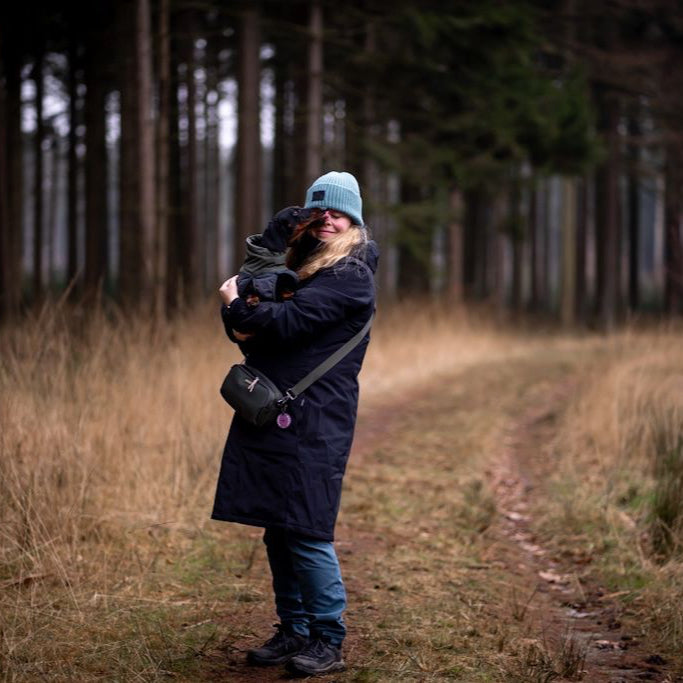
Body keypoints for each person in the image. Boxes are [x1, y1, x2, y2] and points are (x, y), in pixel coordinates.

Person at [213, 171, 378, 677]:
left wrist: (237, 303)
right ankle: (294, 630)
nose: (328, 218)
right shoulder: (304, 269)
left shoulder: (349, 275)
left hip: (314, 421)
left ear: (354, 219)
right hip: (276, 417)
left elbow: (280, 324)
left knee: (306, 530)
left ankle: (328, 638)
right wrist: (254, 278)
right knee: (279, 531)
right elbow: (251, 336)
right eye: (318, 210)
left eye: (338, 210)